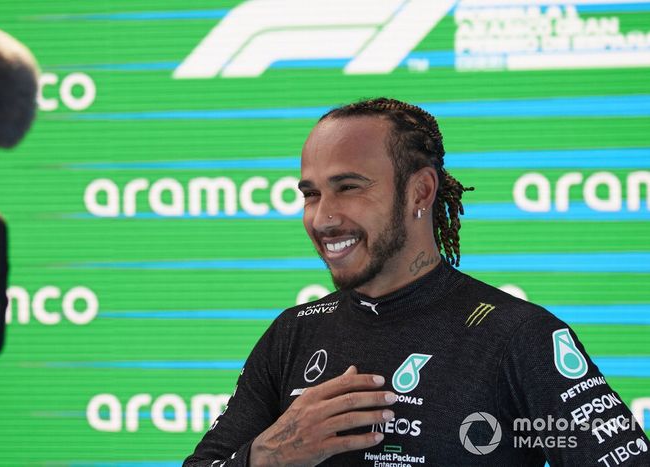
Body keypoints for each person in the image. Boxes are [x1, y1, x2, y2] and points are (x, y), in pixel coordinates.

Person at [183, 98, 649, 466]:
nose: (323, 217)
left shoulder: (517, 337)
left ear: (420, 191)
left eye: (349, 187)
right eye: (311, 194)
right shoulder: (294, 333)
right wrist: (270, 456)